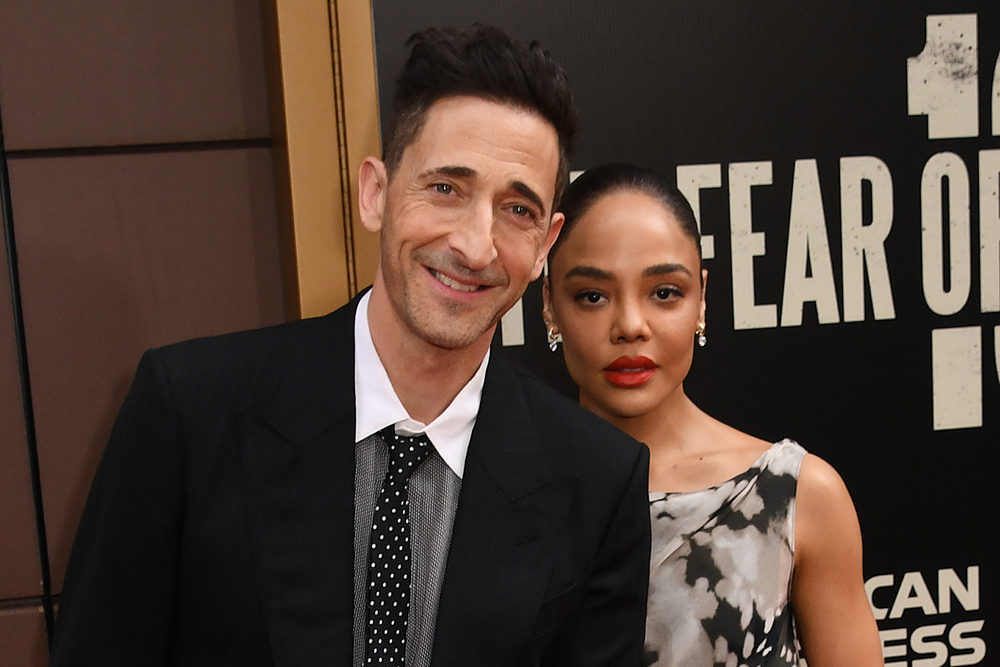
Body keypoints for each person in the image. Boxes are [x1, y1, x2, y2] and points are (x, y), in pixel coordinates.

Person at [50, 28, 650, 667]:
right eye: (446, 188)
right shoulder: (191, 411)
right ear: (376, 193)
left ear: (545, 246)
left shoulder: (597, 482)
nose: (477, 246)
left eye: (517, 210)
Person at [541, 163, 883, 667]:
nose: (631, 326)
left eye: (664, 293)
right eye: (592, 296)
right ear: (550, 306)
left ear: (701, 298)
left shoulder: (795, 495)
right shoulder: (499, 494)